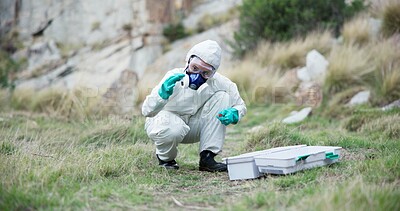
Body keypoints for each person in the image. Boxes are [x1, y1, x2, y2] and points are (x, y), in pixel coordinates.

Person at [142, 40, 247, 172]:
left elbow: (241, 105)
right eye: (195, 68)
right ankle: (166, 159)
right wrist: (161, 95)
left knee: (223, 96)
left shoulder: (221, 83)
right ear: (188, 61)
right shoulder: (173, 77)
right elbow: (146, 111)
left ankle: (207, 158)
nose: (198, 76)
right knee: (174, 128)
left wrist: (235, 112)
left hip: (193, 127)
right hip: (163, 124)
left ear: (213, 73)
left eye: (205, 73)